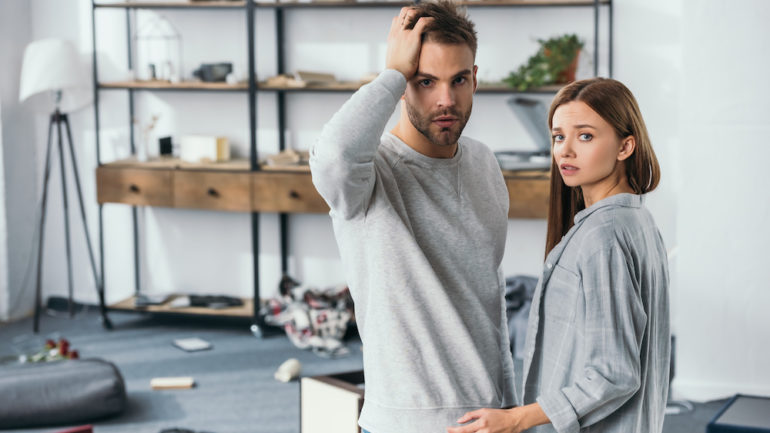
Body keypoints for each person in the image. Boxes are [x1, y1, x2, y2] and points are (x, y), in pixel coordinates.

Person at [309, 1, 517, 432]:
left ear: (474, 79)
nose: (446, 100)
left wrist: (512, 410)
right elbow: (332, 156)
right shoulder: (368, 174)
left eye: (459, 80)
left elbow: (489, 302)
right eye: (425, 82)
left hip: (487, 415)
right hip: (403, 421)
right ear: (403, 85)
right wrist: (390, 74)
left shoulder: (483, 163)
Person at [447, 78, 670, 433]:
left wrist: (516, 419)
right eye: (557, 136)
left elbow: (613, 373)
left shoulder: (604, 236)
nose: (565, 151)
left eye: (585, 136)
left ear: (626, 146)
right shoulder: (637, 221)